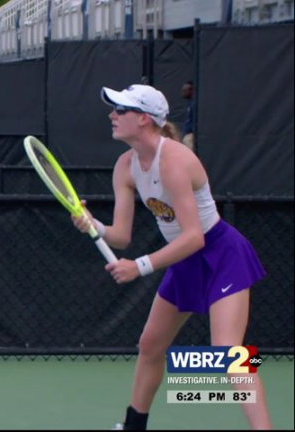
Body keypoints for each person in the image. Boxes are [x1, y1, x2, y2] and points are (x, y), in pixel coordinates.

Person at [72, 84, 271, 430]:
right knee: (150, 344)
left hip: (221, 253)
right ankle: (134, 426)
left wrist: (140, 266)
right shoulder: (125, 167)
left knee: (227, 354)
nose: (112, 115)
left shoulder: (176, 161)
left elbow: (194, 237)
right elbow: (121, 235)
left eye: (121, 109)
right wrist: (94, 226)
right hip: (184, 259)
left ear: (144, 119)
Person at [181, 81, 195, 152]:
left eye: (184, 90)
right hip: (187, 134)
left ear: (191, 90)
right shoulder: (190, 104)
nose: (183, 92)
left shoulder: (194, 104)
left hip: (190, 135)